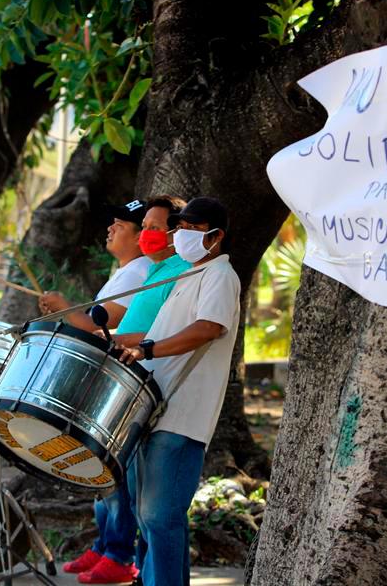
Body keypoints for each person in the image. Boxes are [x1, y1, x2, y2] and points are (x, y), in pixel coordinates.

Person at [117, 197, 240, 586]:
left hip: (185, 413)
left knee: (161, 516)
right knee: (146, 515)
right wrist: (113, 342)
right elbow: (156, 334)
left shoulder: (220, 276)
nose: (183, 234)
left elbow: (207, 328)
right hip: (156, 406)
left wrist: (148, 349)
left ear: (216, 236)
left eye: (193, 228)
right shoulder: (187, 275)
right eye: (181, 227)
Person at [66, 195, 189, 585]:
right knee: (122, 484)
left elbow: (115, 326)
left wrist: (72, 314)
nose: (111, 230)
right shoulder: (149, 271)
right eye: (146, 227)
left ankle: (120, 555)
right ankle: (116, 552)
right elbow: (123, 329)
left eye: (153, 228)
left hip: (150, 391)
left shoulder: (153, 272)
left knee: (145, 502)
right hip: (127, 379)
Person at [38, 199, 151, 331]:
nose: (110, 228)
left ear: (139, 237)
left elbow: (99, 328)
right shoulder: (132, 268)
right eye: (114, 223)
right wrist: (61, 306)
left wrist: (63, 306)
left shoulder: (135, 273)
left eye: (119, 226)